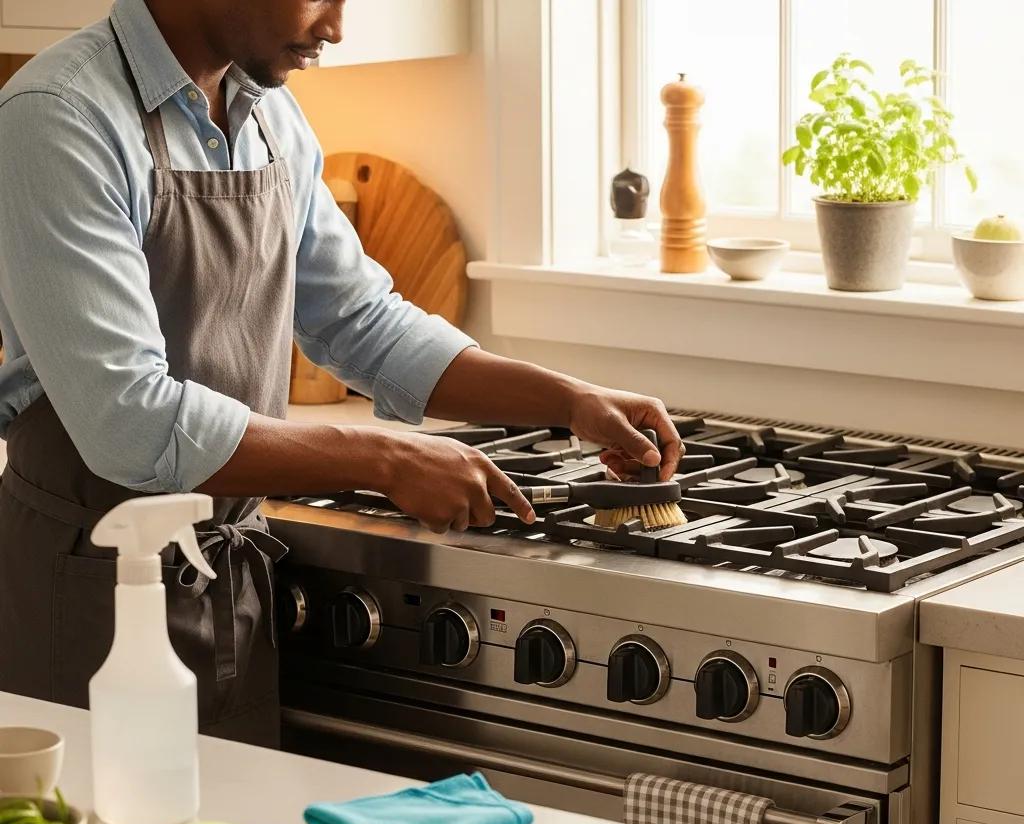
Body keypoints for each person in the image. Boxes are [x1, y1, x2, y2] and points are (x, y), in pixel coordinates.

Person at [0, 0, 681, 748]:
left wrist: (567, 399)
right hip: (88, 590)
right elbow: (129, 424)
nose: (337, 27)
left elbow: (361, 321)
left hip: (227, 583)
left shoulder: (269, 118)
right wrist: (382, 458)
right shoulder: (58, 118)